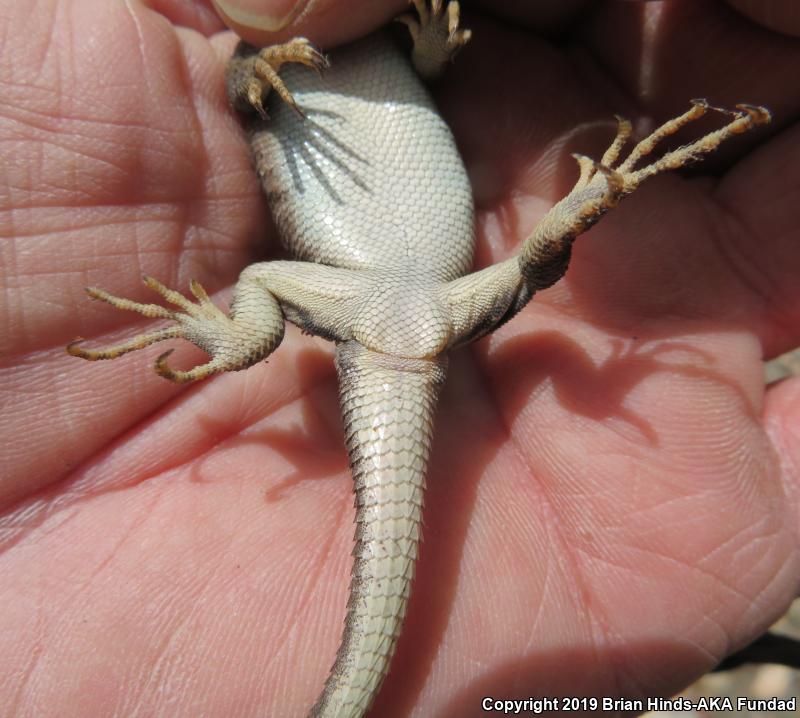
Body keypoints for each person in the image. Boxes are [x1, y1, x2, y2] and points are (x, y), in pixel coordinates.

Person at [1, 0, 798, 714]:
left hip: (378, 286)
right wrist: (261, 67)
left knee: (497, 266)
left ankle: (587, 199)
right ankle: (244, 335)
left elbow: (412, 73)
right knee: (483, 266)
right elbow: (245, 87)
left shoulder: (370, 27)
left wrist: (427, 54)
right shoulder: (248, 49)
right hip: (384, 284)